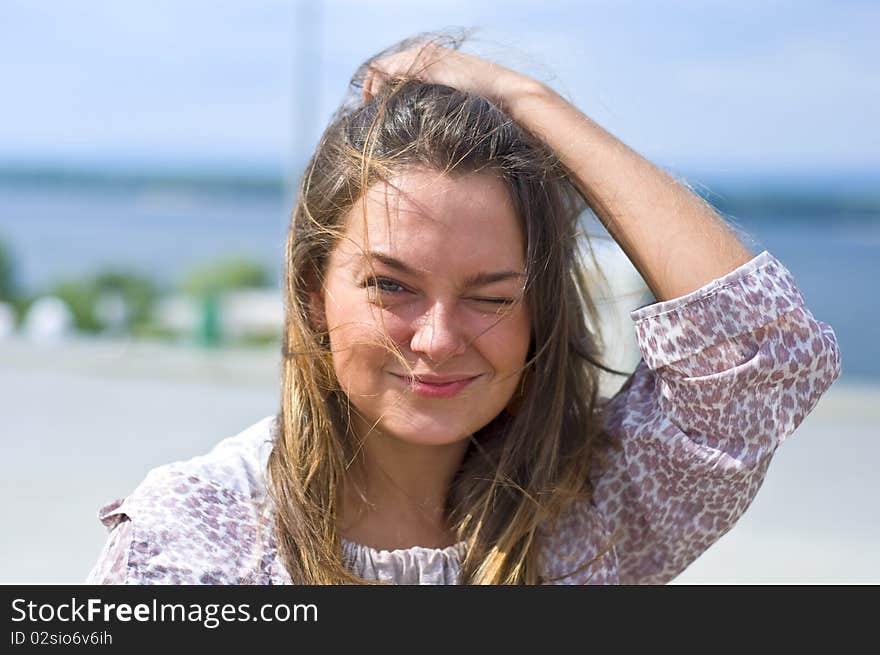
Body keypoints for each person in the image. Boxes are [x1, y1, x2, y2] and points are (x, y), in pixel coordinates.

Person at [86, 31, 841, 585]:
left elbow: (762, 354)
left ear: (537, 310)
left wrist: (528, 102)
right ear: (314, 293)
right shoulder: (194, 541)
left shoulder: (590, 512)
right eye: (391, 286)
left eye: (490, 297)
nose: (439, 339)